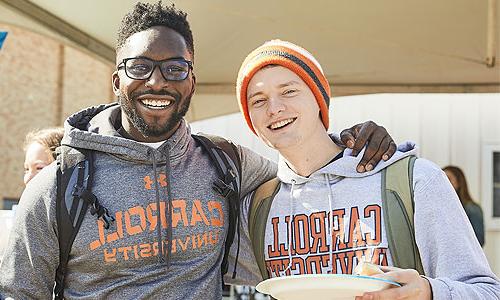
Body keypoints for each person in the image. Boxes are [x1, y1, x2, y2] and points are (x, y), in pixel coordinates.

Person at [0, 3, 397, 299]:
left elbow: (305, 168)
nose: (157, 82)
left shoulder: (227, 163)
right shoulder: (59, 185)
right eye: (139, 67)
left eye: (174, 68)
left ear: (191, 81)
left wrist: (351, 141)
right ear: (116, 79)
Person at [226, 40, 500, 299]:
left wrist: (429, 292)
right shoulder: (257, 208)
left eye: (289, 91)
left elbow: (487, 292)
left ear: (319, 99)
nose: (274, 108)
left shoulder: (414, 181)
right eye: (258, 100)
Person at [443, 166, 485, 246]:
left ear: (459, 182)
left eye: (448, 179)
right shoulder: (443, 207)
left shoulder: (472, 209)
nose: (444, 183)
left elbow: (479, 241)